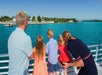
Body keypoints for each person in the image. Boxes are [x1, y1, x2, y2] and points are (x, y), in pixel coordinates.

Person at [8, 11, 33, 75]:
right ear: (25, 22)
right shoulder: (26, 38)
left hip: (11, 72)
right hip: (21, 72)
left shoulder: (11, 35)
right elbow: (31, 56)